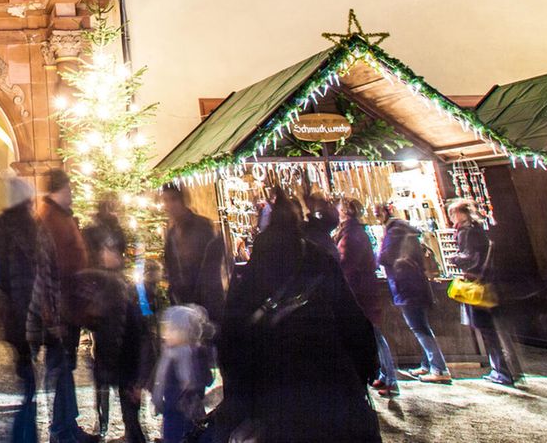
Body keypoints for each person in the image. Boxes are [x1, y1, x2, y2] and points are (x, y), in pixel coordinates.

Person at [209, 186, 380, 443]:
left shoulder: (252, 271)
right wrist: (364, 371)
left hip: (277, 394)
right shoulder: (320, 260)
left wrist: (242, 399)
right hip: (331, 386)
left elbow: (232, 340)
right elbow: (353, 322)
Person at [26, 168, 97, 443]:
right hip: (59, 310)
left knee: (64, 368)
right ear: (60, 189)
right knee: (59, 368)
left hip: (69, 307)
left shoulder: (60, 217)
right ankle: (62, 430)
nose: (73, 194)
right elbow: (47, 272)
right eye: (69, 189)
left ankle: (67, 426)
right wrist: (52, 314)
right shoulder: (50, 220)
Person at [74, 237, 149, 443]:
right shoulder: (103, 281)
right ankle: (107, 429)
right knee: (112, 404)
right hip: (110, 355)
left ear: (118, 256)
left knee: (131, 416)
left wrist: (140, 377)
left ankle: (129, 436)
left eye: (110, 251)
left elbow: (139, 329)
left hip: (125, 358)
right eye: (105, 251)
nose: (105, 255)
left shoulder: (122, 285)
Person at [0, 177, 41, 443]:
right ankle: (26, 425)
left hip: (10, 302)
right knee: (30, 362)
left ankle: (25, 415)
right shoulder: (31, 225)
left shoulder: (0, 224)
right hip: (29, 301)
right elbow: (39, 265)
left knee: (23, 361)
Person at [448, 199, 521, 386]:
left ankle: (502, 371)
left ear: (459, 214)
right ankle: (508, 369)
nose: (451, 218)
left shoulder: (467, 232)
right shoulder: (478, 228)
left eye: (452, 214)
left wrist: (454, 258)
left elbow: (471, 258)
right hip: (489, 283)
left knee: (488, 330)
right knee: (496, 329)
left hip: (477, 285)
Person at [334, 198, 401, 397]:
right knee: (372, 334)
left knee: (373, 335)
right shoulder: (353, 232)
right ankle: (382, 374)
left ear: (345, 212)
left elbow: (347, 263)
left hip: (359, 292)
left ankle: (389, 376)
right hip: (362, 290)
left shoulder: (351, 234)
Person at [377, 207, 451, 384]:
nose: (376, 217)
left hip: (406, 285)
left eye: (378, 213)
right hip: (415, 284)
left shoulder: (394, 233)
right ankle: (428, 364)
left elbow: (383, 258)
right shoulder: (406, 232)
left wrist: (380, 245)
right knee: (421, 325)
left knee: (419, 327)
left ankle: (439, 368)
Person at [81, 194, 129, 436]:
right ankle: (123, 422)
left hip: (101, 298)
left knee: (103, 364)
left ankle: (103, 421)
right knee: (116, 362)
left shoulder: (92, 231)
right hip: (110, 297)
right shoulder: (114, 231)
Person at [159, 184, 225, 322]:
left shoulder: (203, 226)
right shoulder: (171, 233)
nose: (169, 205)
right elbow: (173, 269)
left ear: (183, 200)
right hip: (183, 304)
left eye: (173, 199)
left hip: (206, 304)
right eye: (165, 200)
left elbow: (211, 267)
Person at [151, 304, 214, 443]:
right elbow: (160, 378)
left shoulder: (192, 352)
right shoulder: (170, 353)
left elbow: (206, 379)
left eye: (171, 329)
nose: (166, 334)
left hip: (186, 412)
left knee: (189, 435)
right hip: (173, 411)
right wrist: (157, 397)